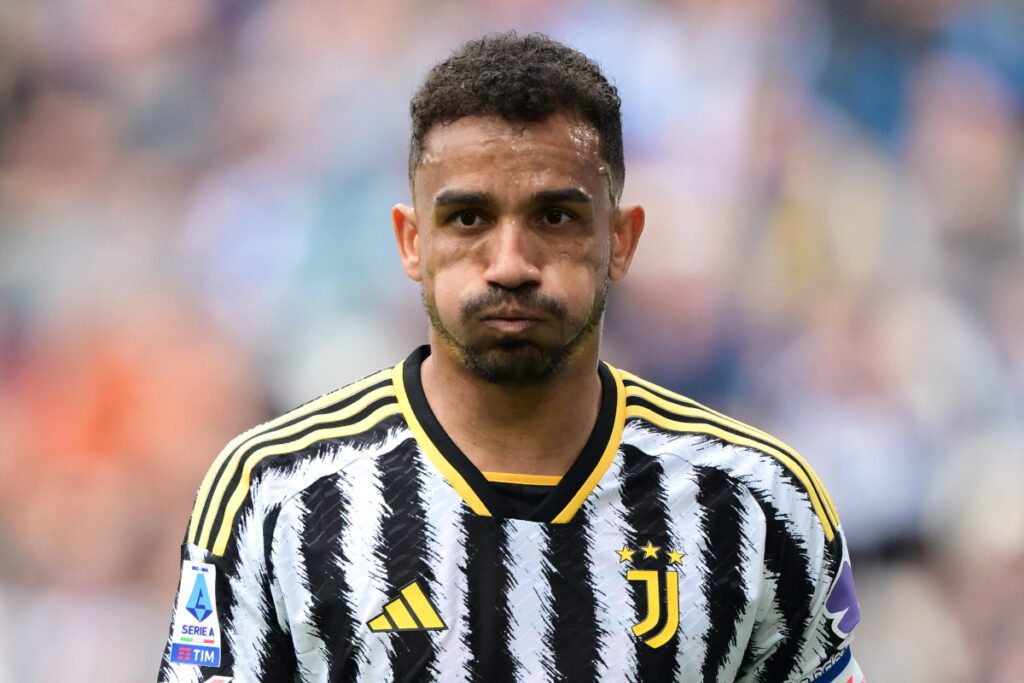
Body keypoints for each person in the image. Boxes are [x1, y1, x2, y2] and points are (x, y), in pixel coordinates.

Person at [158, 32, 864, 683]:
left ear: (620, 239)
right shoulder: (273, 493)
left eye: (555, 217)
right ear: (411, 241)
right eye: (468, 218)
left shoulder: (758, 500)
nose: (511, 264)